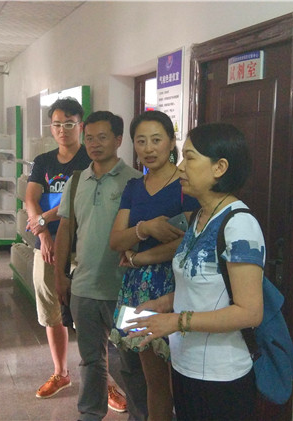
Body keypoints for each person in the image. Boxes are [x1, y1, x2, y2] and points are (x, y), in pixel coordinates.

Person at [124, 123, 265, 421]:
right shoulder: (200, 216)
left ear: (219, 167)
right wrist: (163, 304)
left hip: (220, 375)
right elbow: (204, 288)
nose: (180, 167)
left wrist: (176, 321)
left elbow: (250, 312)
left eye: (189, 158)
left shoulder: (239, 225)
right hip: (186, 365)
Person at [54, 111, 148, 421]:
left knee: (132, 363)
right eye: (89, 138)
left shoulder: (136, 181)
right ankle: (90, 414)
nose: (94, 144)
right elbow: (65, 229)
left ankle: (140, 415)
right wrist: (60, 276)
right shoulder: (76, 180)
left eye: (102, 137)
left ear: (118, 140)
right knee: (91, 361)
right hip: (84, 287)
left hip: (127, 290)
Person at [108, 111, 199, 421]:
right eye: (141, 141)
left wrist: (140, 257)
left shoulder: (187, 184)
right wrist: (145, 228)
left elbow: (189, 241)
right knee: (154, 380)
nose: (148, 148)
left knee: (185, 380)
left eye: (156, 140)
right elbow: (115, 240)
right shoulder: (134, 186)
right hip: (138, 290)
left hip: (177, 285)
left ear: (171, 142)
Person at [25, 97, 92, 399]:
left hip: (83, 247)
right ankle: (61, 373)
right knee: (51, 311)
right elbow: (30, 198)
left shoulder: (90, 159)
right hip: (47, 247)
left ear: (80, 125)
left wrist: (43, 219)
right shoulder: (43, 161)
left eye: (68, 124)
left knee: (89, 314)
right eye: (56, 124)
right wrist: (42, 233)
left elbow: (78, 202)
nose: (62, 130)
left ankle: (102, 380)